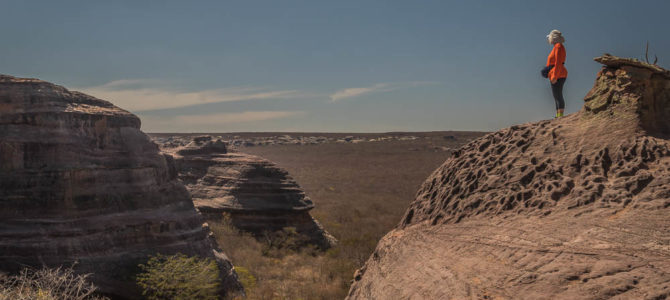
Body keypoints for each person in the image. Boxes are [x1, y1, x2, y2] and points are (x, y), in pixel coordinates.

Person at [545, 30, 567, 118]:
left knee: (558, 95)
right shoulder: (557, 47)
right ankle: (558, 115)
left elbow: (558, 62)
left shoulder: (558, 47)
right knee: (556, 95)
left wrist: (555, 76)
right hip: (556, 73)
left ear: (553, 38)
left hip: (558, 74)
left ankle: (560, 116)